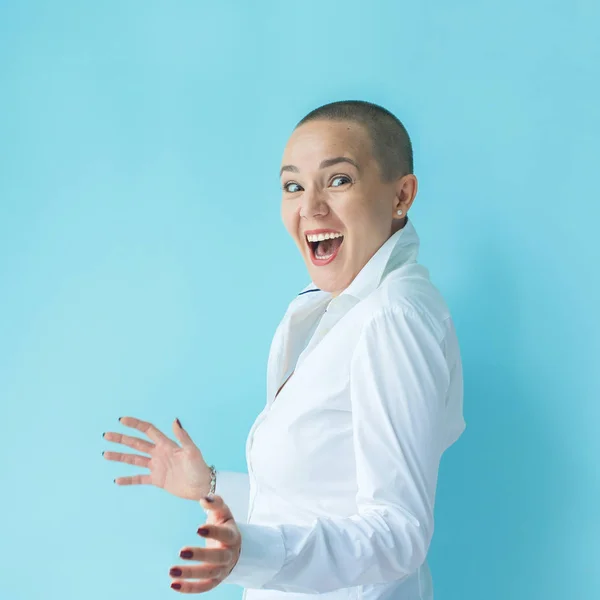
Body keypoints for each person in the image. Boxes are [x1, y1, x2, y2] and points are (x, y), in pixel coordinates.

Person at [102, 100, 466, 600]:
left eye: (339, 180)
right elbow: (314, 502)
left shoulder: (392, 317)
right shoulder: (343, 311)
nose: (310, 208)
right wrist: (208, 485)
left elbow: (399, 534)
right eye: (293, 186)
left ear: (401, 195)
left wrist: (247, 553)